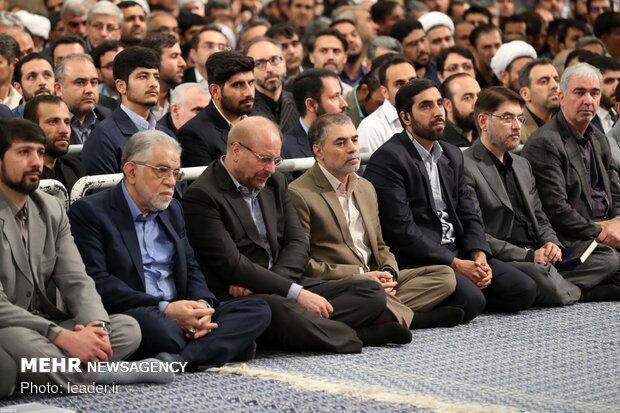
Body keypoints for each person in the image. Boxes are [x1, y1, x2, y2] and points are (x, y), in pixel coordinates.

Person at [182, 116, 413, 353]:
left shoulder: (275, 182)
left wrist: (283, 286)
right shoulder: (202, 196)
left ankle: (303, 331)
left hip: (277, 282)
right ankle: (357, 336)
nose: (270, 169)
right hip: (240, 295)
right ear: (236, 150)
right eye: (264, 159)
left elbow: (297, 243)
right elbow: (233, 265)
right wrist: (293, 293)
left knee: (371, 292)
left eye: (276, 160)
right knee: (276, 310)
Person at [69, 131, 271, 370]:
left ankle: (181, 359)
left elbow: (192, 267)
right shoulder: (90, 212)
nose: (171, 181)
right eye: (161, 170)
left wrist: (202, 306)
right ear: (131, 171)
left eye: (175, 173)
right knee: (160, 330)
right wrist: (166, 309)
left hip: (181, 305)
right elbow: (99, 282)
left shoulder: (172, 209)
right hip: (140, 310)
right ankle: (214, 347)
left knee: (258, 309)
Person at [0, 119, 173, 392]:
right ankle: (101, 375)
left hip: (46, 325)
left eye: (39, 152)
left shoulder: (51, 208)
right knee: (21, 345)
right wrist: (61, 336)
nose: (36, 161)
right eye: (24, 152)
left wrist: (96, 328)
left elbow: (76, 279)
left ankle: (44, 375)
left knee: (127, 328)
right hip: (8, 327)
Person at [364, 79, 537, 323]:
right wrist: (455, 264)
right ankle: (420, 316)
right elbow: (402, 231)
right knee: (473, 300)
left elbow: (469, 213)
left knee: (523, 289)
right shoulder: (390, 158)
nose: (437, 113)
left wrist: (478, 255)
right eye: (425, 106)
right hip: (421, 259)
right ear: (406, 117)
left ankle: (460, 296)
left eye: (438, 104)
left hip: (458, 250)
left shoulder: (452, 153)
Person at [289, 113, 465, 329]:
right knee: (372, 295)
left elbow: (381, 246)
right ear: (318, 150)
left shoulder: (366, 187)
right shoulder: (299, 193)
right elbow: (305, 265)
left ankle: (375, 315)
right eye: (340, 143)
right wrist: (361, 276)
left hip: (376, 279)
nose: (352, 148)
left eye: (354, 140)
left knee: (445, 276)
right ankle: (411, 318)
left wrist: (389, 273)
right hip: (341, 283)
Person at [464, 86, 619, 306]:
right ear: (483, 121)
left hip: (540, 252)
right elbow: (477, 233)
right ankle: (581, 294)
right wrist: (528, 256)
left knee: (606, 258)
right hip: (509, 257)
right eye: (507, 118)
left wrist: (550, 243)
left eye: (519, 118)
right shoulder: (466, 166)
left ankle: (559, 289)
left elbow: (540, 216)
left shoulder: (521, 164)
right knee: (536, 275)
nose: (517, 126)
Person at [521, 62, 620, 301]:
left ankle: (584, 289)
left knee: (612, 261)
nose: (588, 100)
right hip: (569, 237)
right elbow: (556, 209)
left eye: (594, 93)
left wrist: (618, 222)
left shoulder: (598, 137)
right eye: (580, 92)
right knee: (608, 259)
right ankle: (555, 287)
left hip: (605, 230)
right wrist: (601, 231)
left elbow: (615, 191)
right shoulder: (545, 142)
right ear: (561, 97)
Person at [82, 47, 174, 175]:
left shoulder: (167, 135)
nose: (153, 83)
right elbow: (106, 193)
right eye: (143, 77)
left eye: (156, 77)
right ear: (121, 86)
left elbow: (179, 189)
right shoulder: (103, 138)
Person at [177, 51, 255, 167]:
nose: (248, 92)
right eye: (238, 85)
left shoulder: (261, 119)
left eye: (251, 82)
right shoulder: (193, 134)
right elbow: (203, 184)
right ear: (215, 91)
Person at [24, 95, 85, 194]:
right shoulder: (20, 175)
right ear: (31, 127)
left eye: (67, 122)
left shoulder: (76, 167)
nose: (64, 130)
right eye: (53, 122)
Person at [283, 69, 347, 161]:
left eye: (341, 94)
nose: (344, 103)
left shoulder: (349, 139)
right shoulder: (285, 149)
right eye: (334, 97)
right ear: (311, 105)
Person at [357, 54, 416, 154]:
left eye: (413, 81)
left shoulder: (429, 116)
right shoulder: (370, 129)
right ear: (385, 91)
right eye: (400, 84)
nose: (409, 88)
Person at [54, 54, 113, 145]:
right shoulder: (49, 123)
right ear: (58, 89)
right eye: (80, 83)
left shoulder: (107, 118)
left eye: (93, 82)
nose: (89, 90)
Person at [246, 37, 298, 133]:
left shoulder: (299, 102)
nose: (269, 69)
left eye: (275, 59)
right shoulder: (243, 110)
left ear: (285, 63)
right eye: (259, 63)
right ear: (249, 71)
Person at [517, 58, 560, 143]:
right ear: (525, 94)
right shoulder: (517, 130)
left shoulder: (565, 124)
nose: (554, 86)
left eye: (556, 80)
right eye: (543, 81)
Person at [441, 73, 481, 147]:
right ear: (448, 104)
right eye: (467, 98)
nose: (477, 104)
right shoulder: (439, 143)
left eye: (479, 96)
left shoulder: (487, 136)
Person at [11, 53, 55, 118]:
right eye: (31, 77)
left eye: (47, 75)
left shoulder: (70, 118)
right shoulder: (8, 122)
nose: (42, 82)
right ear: (18, 88)